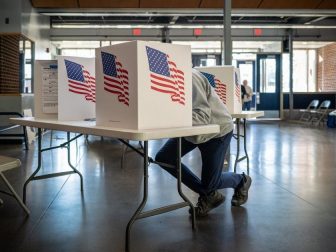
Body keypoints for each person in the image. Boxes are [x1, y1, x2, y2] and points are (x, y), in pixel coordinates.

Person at [155, 69, 252, 217]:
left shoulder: (190, 77)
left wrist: (167, 120)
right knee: (164, 158)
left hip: (216, 131)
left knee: (211, 183)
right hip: (192, 132)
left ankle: (241, 180)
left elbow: (202, 117)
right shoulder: (164, 82)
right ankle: (209, 195)